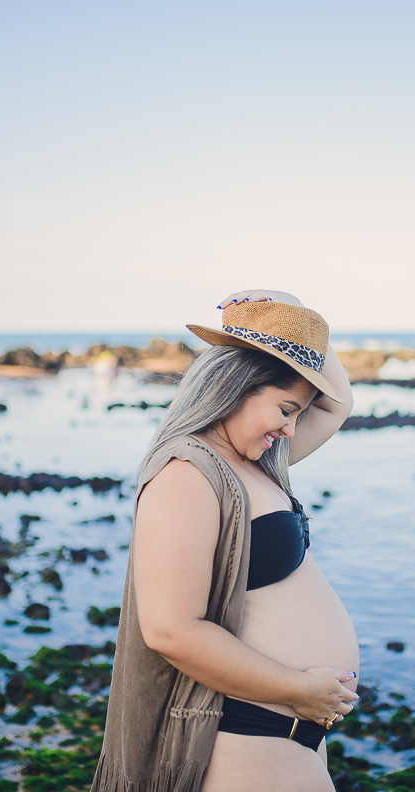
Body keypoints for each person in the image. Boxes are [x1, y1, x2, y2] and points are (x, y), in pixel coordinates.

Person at [91, 289, 360, 792]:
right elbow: (171, 631)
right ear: (238, 388)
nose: (291, 428)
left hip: (286, 735)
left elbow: (338, 403)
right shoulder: (187, 472)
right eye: (286, 409)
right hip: (249, 736)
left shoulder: (254, 460)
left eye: (298, 413)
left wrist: (293, 315)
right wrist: (300, 689)